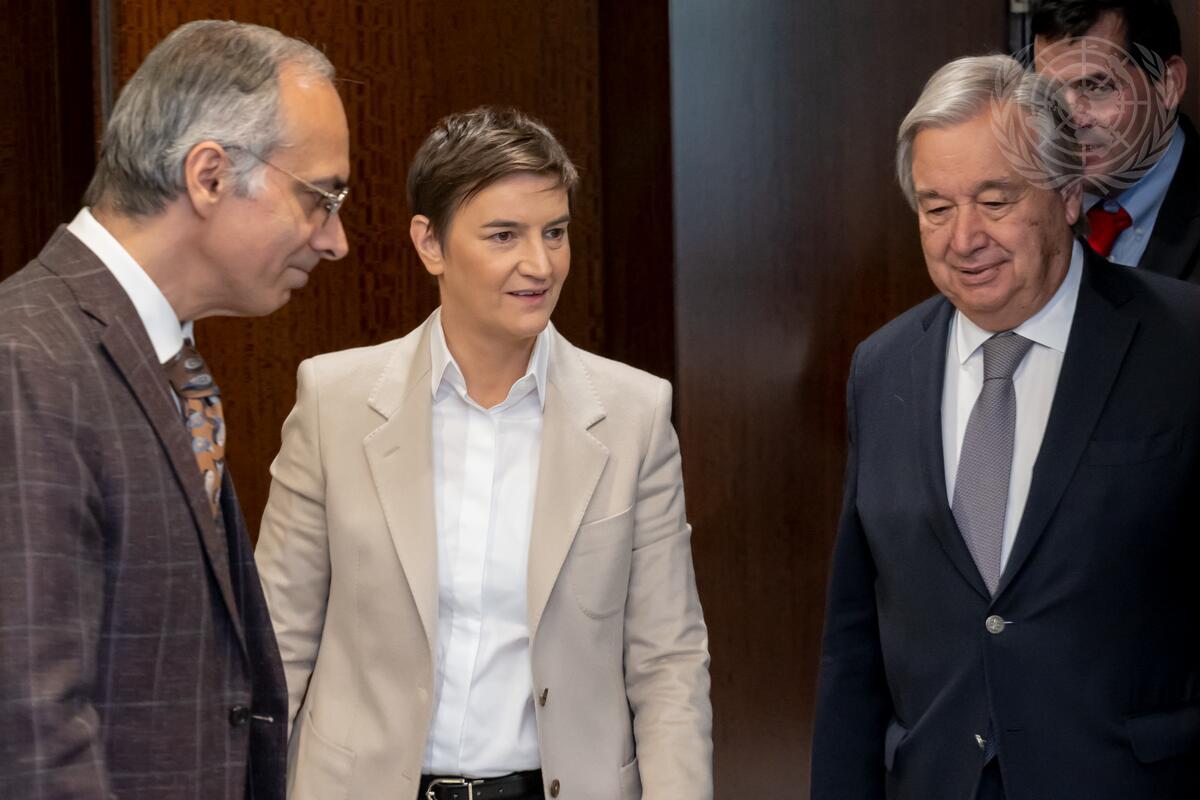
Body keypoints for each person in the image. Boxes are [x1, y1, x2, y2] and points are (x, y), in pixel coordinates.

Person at [254, 107, 712, 800]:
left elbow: (668, 662)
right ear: (430, 243)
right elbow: (277, 645)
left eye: (554, 232)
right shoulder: (334, 402)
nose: (540, 264)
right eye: (504, 235)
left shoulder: (633, 415)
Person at [811, 54, 1200, 800]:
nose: (964, 238)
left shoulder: (1182, 345)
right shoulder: (882, 368)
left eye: (994, 200)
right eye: (936, 208)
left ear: (1069, 195)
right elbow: (854, 643)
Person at [0, 20, 350, 799]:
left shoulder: (158, 361)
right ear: (210, 176)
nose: (336, 241)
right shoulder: (29, 364)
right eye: (320, 198)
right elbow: (30, 734)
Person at [1032, 0, 1200, 283]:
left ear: (1168, 83)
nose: (1069, 120)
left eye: (1096, 87)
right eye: (1051, 94)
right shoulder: (1025, 208)